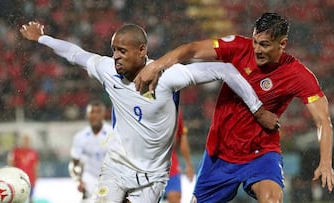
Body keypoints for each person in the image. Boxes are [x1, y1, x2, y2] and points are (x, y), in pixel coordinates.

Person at [20, 21, 278, 202]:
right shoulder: (107, 69)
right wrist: (41, 38)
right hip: (116, 167)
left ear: (142, 51)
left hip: (153, 176)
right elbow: (75, 53)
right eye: (114, 51)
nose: (116, 57)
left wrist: (257, 109)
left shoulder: (168, 76)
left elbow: (225, 69)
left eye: (122, 51)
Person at [134, 12, 334, 203]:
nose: (257, 49)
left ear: (282, 44)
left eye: (264, 45)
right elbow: (193, 49)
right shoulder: (238, 47)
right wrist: (156, 65)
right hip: (219, 154)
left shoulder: (297, 74)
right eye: (255, 42)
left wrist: (325, 162)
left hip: (261, 153)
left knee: (272, 199)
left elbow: (323, 120)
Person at [69, 100, 113, 202]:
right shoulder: (80, 137)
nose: (94, 115)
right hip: (89, 178)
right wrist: (78, 181)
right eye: (91, 112)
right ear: (87, 115)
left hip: (109, 178)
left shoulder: (112, 134)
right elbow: (74, 163)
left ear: (103, 114)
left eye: (98, 112)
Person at [164, 109, 194, 203]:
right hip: (145, 164)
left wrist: (189, 164)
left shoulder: (174, 109)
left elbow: (181, 136)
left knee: (175, 196)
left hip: (170, 163)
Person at [7, 134, 39, 203]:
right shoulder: (16, 151)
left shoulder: (33, 152)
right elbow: (11, 164)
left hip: (30, 180)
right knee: (17, 199)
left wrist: (36, 178)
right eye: (25, 140)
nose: (26, 142)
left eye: (27, 140)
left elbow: (36, 167)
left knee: (30, 198)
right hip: (18, 180)